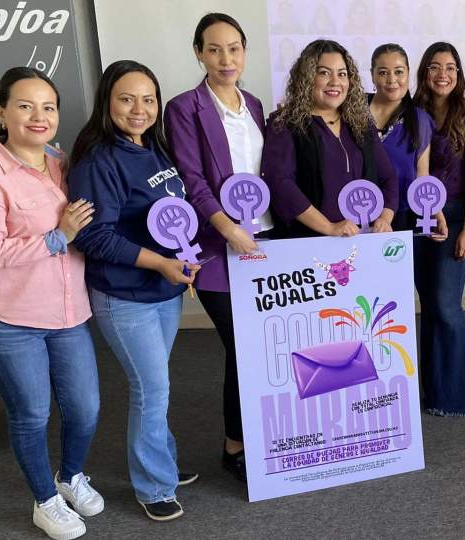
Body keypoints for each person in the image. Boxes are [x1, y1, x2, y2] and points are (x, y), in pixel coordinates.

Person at [0, 67, 100, 540]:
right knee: (32, 414)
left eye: (48, 106)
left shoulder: (63, 163)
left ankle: (70, 476)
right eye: (24, 106)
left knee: (85, 407)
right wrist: (58, 237)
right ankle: (45, 500)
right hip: (7, 319)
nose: (38, 116)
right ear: (1, 112)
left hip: (66, 313)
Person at [68, 60, 200, 521]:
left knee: (156, 385)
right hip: (125, 297)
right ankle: (154, 485)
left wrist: (180, 257)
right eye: (127, 99)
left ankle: (160, 460)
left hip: (161, 291)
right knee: (152, 388)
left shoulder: (155, 149)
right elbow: (93, 237)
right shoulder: (98, 162)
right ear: (107, 102)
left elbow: (171, 217)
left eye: (148, 99)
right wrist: (162, 263)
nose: (139, 109)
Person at [164, 12, 265, 482]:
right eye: (215, 49)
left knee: (263, 346)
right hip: (216, 246)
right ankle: (235, 446)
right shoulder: (184, 108)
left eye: (234, 48)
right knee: (243, 346)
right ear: (199, 53)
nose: (226, 59)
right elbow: (191, 178)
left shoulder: (258, 106)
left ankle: (262, 436)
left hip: (265, 241)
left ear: (244, 52)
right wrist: (228, 229)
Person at [412, 41, 465, 416]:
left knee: (445, 304)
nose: (443, 74)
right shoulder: (411, 113)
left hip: (458, 217)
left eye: (451, 67)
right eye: (435, 66)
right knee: (432, 306)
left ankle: (455, 398)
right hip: (418, 219)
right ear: (424, 73)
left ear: (458, 75)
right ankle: (456, 386)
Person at [262, 39, 398, 238]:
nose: (335, 82)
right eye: (324, 73)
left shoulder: (361, 124)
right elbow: (280, 183)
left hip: (363, 240)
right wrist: (329, 227)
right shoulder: (284, 123)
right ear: (307, 78)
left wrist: (384, 219)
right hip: (308, 243)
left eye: (342, 74)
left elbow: (388, 177)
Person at [367, 43, 437, 232]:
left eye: (399, 72)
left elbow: (422, 175)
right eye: (382, 72)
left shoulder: (419, 120)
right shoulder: (353, 112)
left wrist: (435, 214)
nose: (392, 80)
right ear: (372, 75)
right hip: (356, 214)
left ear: (408, 73)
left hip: (403, 217)